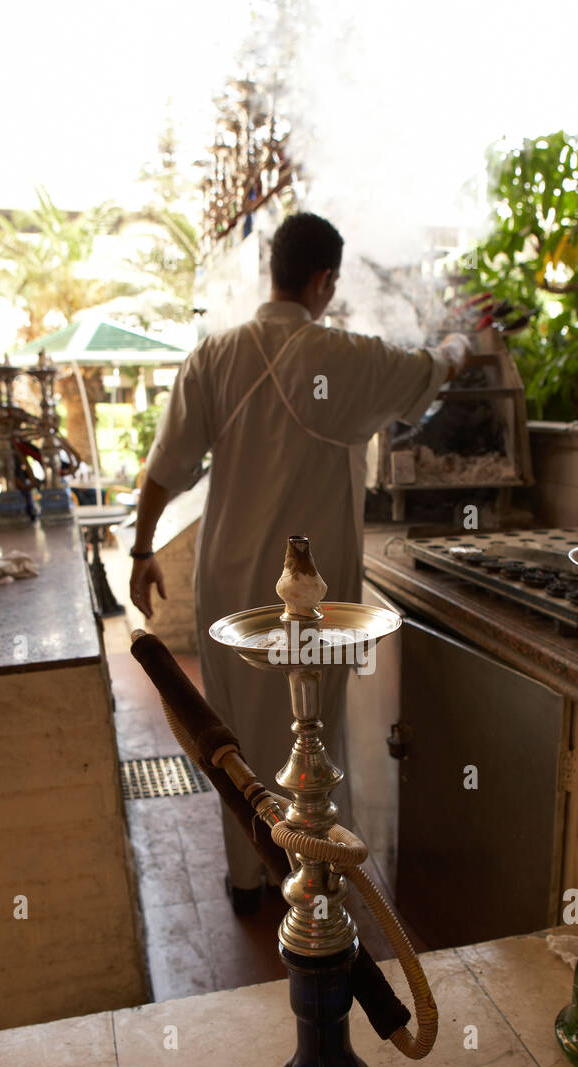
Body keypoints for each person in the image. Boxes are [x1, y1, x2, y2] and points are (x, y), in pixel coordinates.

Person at [130, 212, 471, 912]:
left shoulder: (213, 357)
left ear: (274, 273)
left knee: (229, 732)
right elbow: (431, 371)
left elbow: (163, 468)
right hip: (308, 595)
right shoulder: (344, 355)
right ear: (323, 280)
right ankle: (308, 876)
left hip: (227, 581)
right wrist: (463, 340)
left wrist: (140, 550)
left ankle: (248, 881)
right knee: (309, 725)